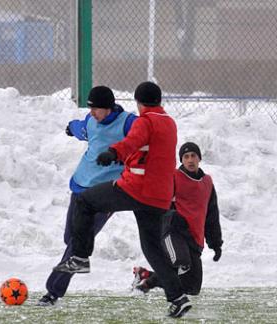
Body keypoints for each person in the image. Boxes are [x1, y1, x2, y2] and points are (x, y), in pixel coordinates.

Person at [53, 82, 192, 318]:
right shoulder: (169, 122)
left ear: (138, 102)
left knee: (85, 201)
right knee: (152, 248)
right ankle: (178, 298)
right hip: (159, 196)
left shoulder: (145, 121)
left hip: (136, 188)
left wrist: (113, 153)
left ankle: (80, 257)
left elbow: (132, 142)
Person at [37, 86, 137, 306]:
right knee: (70, 239)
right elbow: (81, 128)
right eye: (90, 108)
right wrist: (70, 128)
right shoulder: (91, 121)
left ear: (109, 108)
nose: (92, 113)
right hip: (81, 186)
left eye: (96, 109)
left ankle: (52, 292)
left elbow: (146, 136)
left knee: (76, 245)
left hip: (105, 193)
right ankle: (70, 264)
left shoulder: (128, 123)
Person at [131, 142, 223, 295]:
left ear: (199, 158)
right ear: (182, 160)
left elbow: (212, 215)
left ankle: (146, 278)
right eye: (186, 157)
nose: (190, 160)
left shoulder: (207, 183)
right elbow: (156, 197)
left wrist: (215, 243)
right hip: (173, 231)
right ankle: (144, 284)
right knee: (180, 262)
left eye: (193, 156)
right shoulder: (173, 177)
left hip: (194, 238)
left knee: (191, 287)